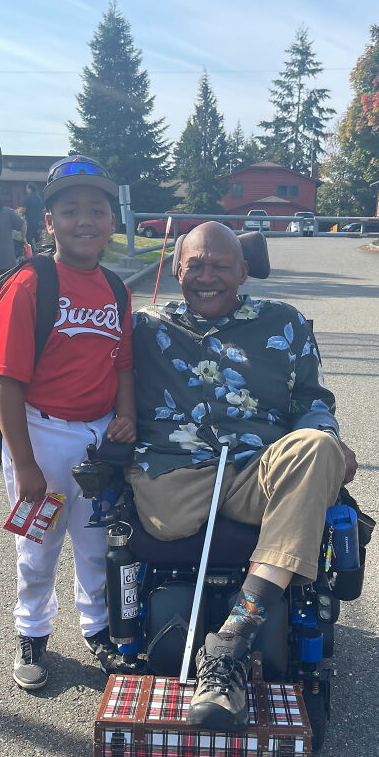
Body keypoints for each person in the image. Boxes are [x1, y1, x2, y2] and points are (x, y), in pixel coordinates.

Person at [129, 221, 357, 730]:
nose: (207, 277)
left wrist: (328, 437)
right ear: (176, 268)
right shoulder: (144, 326)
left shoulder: (285, 323)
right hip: (175, 475)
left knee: (319, 447)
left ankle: (233, 638)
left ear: (244, 271)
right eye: (196, 265)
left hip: (259, 469)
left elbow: (311, 401)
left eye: (222, 266)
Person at [0, 156, 136, 691]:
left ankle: (97, 628)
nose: (85, 220)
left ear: (112, 221)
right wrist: (23, 463)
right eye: (70, 210)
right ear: (48, 221)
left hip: (97, 437)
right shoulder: (30, 285)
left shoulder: (116, 289)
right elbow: (4, 380)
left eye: (97, 209)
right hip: (41, 436)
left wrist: (126, 413)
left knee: (97, 544)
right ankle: (32, 632)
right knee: (38, 548)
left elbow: (121, 362)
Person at [22, 183, 45, 250]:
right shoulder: (39, 198)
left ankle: (31, 254)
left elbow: (23, 210)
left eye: (27, 188)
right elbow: (44, 209)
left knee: (28, 239)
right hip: (39, 222)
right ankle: (38, 252)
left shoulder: (28, 198)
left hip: (30, 222)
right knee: (38, 239)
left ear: (29, 189)